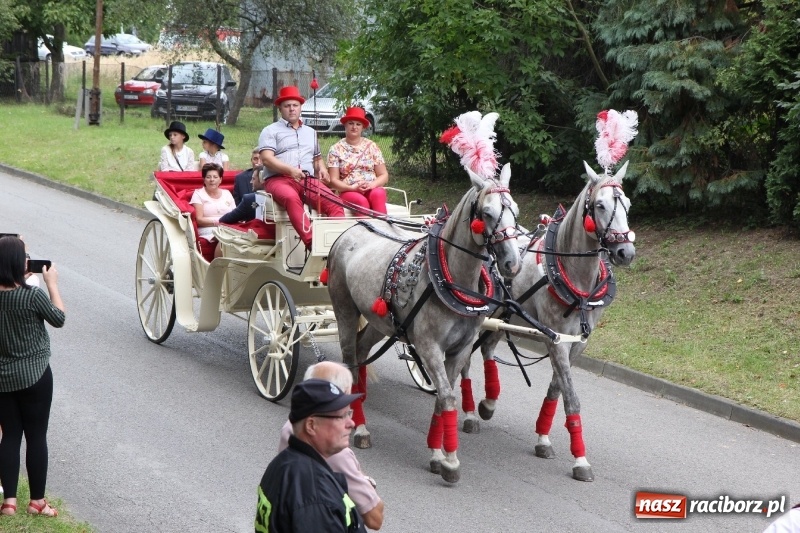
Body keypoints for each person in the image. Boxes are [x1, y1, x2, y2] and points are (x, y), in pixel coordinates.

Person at [0, 236, 65, 518]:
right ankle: (37, 502)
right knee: (36, 436)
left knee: (10, 436)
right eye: (25, 256)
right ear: (18, 262)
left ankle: (9, 503)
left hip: (2, 378)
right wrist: (51, 284)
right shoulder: (32, 295)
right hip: (36, 374)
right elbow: (58, 318)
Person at [278, 362, 384, 530]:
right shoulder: (336, 454)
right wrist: (366, 480)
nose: (350, 423)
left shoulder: (291, 427)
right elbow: (375, 518)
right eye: (342, 414)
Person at [255, 378, 367, 533]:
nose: (351, 423)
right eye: (342, 416)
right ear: (311, 425)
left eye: (349, 413)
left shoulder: (282, 463)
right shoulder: (316, 497)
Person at [257, 85, 345, 250]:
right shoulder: (270, 131)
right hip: (279, 179)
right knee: (291, 198)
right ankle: (312, 243)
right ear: (280, 108)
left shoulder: (311, 132)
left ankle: (336, 245)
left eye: (295, 105)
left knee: (334, 202)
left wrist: (323, 169)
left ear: (300, 107)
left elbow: (317, 159)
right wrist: (290, 170)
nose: (291, 109)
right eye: (287, 106)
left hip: (307, 180)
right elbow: (267, 159)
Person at [327, 107, 389, 215]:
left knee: (378, 194)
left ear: (363, 127)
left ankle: (383, 229)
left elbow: (384, 175)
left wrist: (372, 185)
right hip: (349, 190)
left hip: (371, 187)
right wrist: (352, 188)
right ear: (345, 125)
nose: (354, 127)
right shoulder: (335, 149)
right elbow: (333, 180)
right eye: (351, 123)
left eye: (358, 124)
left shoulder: (372, 146)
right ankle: (364, 231)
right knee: (361, 202)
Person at [190, 163, 235, 262]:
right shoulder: (198, 194)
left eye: (215, 177)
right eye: (208, 177)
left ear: (220, 180)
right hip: (207, 229)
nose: (212, 180)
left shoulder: (227, 194)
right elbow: (199, 220)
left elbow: (235, 215)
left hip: (227, 227)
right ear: (204, 179)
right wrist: (220, 221)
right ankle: (217, 269)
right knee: (225, 238)